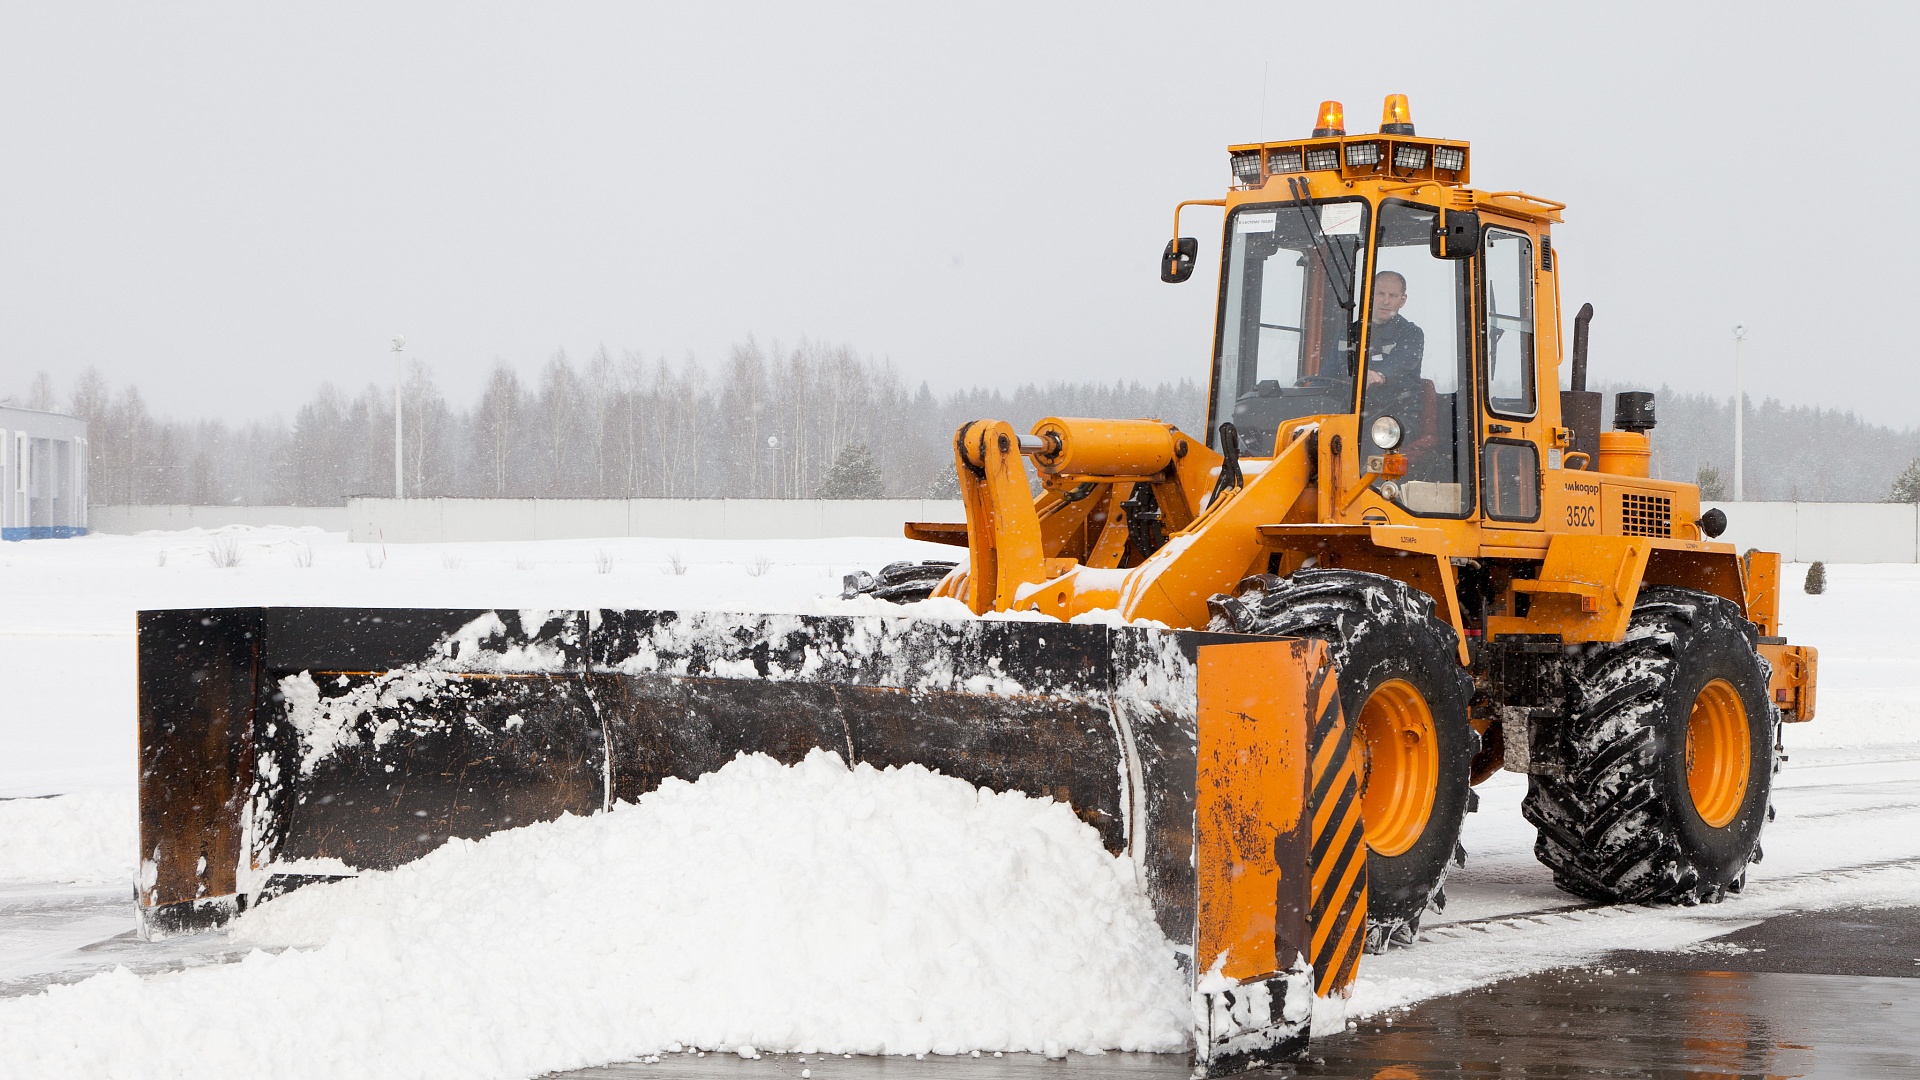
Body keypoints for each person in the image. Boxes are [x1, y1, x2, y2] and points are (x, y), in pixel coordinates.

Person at [1365, 270, 1424, 389]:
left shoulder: (1412, 334)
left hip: (1398, 405)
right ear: (1370, 295)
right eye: (1381, 294)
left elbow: (1400, 361)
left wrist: (1380, 376)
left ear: (1402, 301)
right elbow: (1329, 374)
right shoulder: (1350, 333)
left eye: (1392, 296)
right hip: (1350, 405)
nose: (1386, 301)